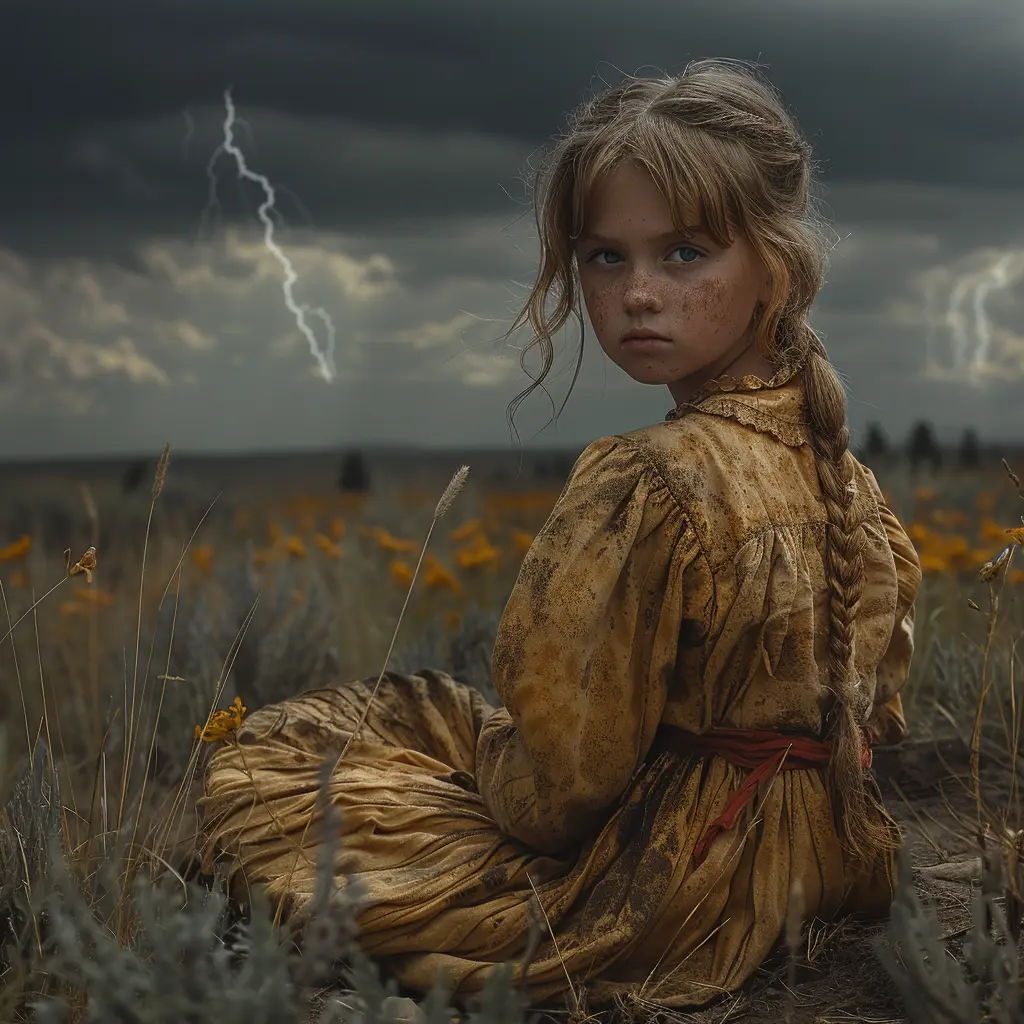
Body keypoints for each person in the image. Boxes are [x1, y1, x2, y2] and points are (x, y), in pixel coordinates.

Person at [198, 58, 923, 1009]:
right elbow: (877, 708)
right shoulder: (845, 473)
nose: (638, 294)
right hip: (827, 851)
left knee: (269, 771)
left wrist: (489, 781)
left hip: (677, 884)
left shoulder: (648, 475)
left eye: (685, 253)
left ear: (777, 263)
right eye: (604, 256)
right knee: (429, 719)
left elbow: (568, 784)